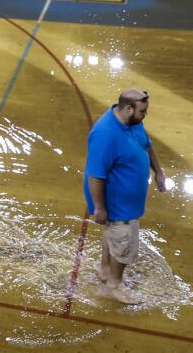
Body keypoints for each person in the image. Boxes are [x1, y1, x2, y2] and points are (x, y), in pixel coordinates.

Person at [83, 88, 167, 304]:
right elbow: (95, 174)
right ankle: (115, 285)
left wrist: (158, 171)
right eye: (143, 112)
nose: (144, 116)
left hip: (124, 204)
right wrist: (100, 208)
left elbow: (146, 144)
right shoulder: (105, 134)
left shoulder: (132, 121)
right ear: (128, 108)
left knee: (113, 234)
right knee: (124, 243)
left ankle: (104, 269)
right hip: (118, 206)